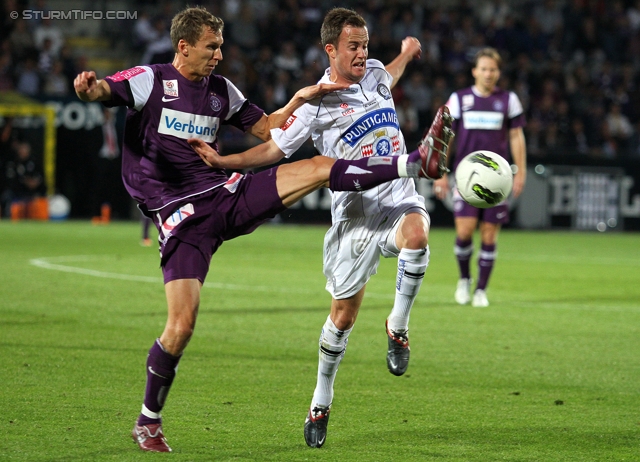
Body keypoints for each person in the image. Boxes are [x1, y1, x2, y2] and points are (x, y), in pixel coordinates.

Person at [73, 6, 449, 453]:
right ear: (184, 46)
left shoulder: (221, 91)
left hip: (224, 196)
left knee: (315, 166)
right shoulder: (151, 81)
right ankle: (148, 421)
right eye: (211, 47)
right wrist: (90, 89)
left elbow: (266, 128)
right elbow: (104, 91)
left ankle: (413, 164)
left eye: (221, 46)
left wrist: (295, 102)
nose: (218, 55)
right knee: (181, 325)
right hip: (180, 217)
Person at [246, 7, 452, 448]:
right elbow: (272, 149)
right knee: (342, 317)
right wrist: (226, 163)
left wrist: (405, 54)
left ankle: (397, 326)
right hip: (355, 215)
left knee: (418, 235)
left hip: (397, 195)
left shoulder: (375, 70)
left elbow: (387, 78)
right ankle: (321, 399)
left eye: (365, 45)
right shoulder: (318, 101)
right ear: (331, 50)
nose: (362, 54)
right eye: (353, 47)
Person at [433, 47, 527, 308]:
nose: (488, 74)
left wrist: (521, 171)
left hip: (497, 180)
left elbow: (516, 136)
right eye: (484, 69)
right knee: (464, 232)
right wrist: (441, 172)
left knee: (489, 235)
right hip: (466, 179)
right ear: (474, 71)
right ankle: (464, 280)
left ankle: (481, 291)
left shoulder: (508, 100)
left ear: (499, 72)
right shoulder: (460, 99)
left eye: (493, 69)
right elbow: (447, 136)